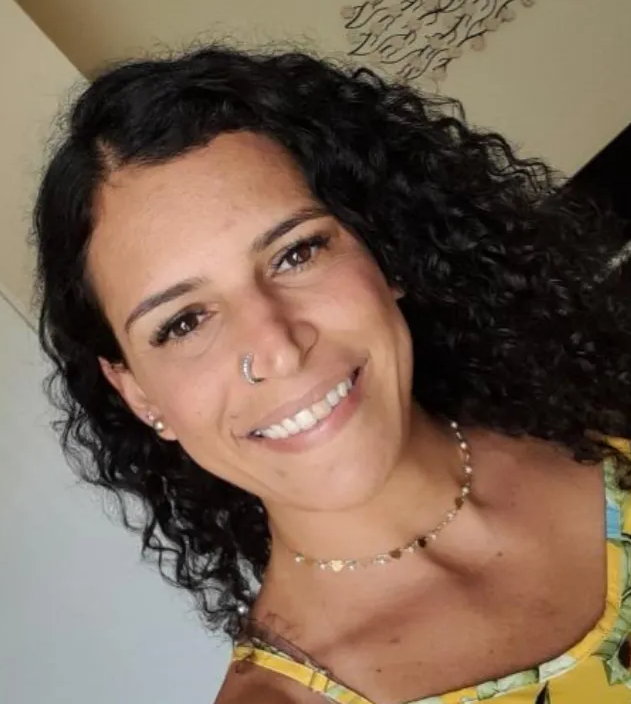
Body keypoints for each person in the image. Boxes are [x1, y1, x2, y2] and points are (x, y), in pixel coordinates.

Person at [32, 47, 631, 703]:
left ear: (382, 251)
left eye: (296, 252)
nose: (278, 347)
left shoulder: (603, 402)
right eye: (183, 322)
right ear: (139, 394)